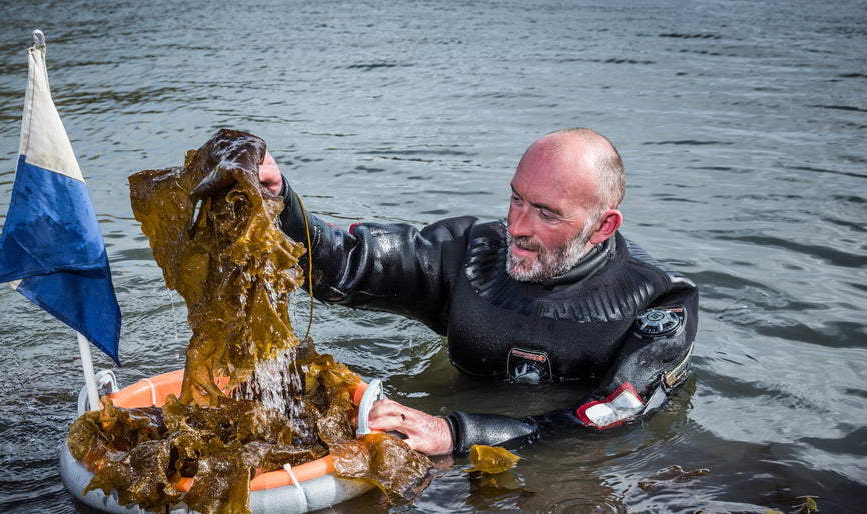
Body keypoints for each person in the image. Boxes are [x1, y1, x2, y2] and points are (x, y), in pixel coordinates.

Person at [255, 128, 698, 457]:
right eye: (517, 200)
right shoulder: (469, 252)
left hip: (569, 474)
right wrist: (279, 203)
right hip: (457, 436)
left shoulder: (659, 301)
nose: (518, 228)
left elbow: (613, 415)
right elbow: (349, 263)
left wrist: (457, 433)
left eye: (546, 213)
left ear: (603, 226)